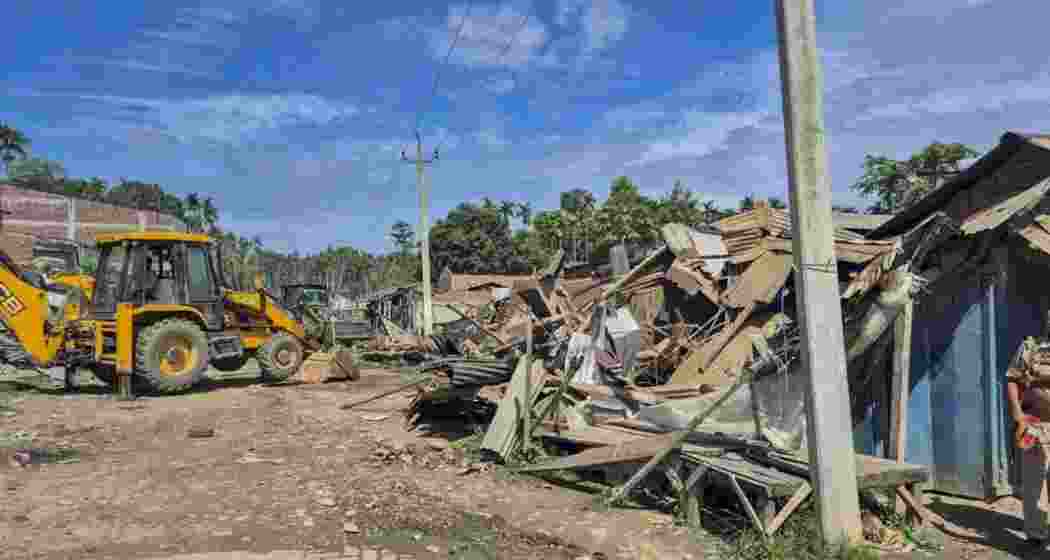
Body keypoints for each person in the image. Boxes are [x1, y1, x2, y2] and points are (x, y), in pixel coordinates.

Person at [1006, 313, 1050, 549]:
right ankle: (1036, 536)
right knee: (1035, 481)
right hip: (1036, 423)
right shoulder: (1031, 347)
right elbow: (1013, 379)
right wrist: (1017, 415)